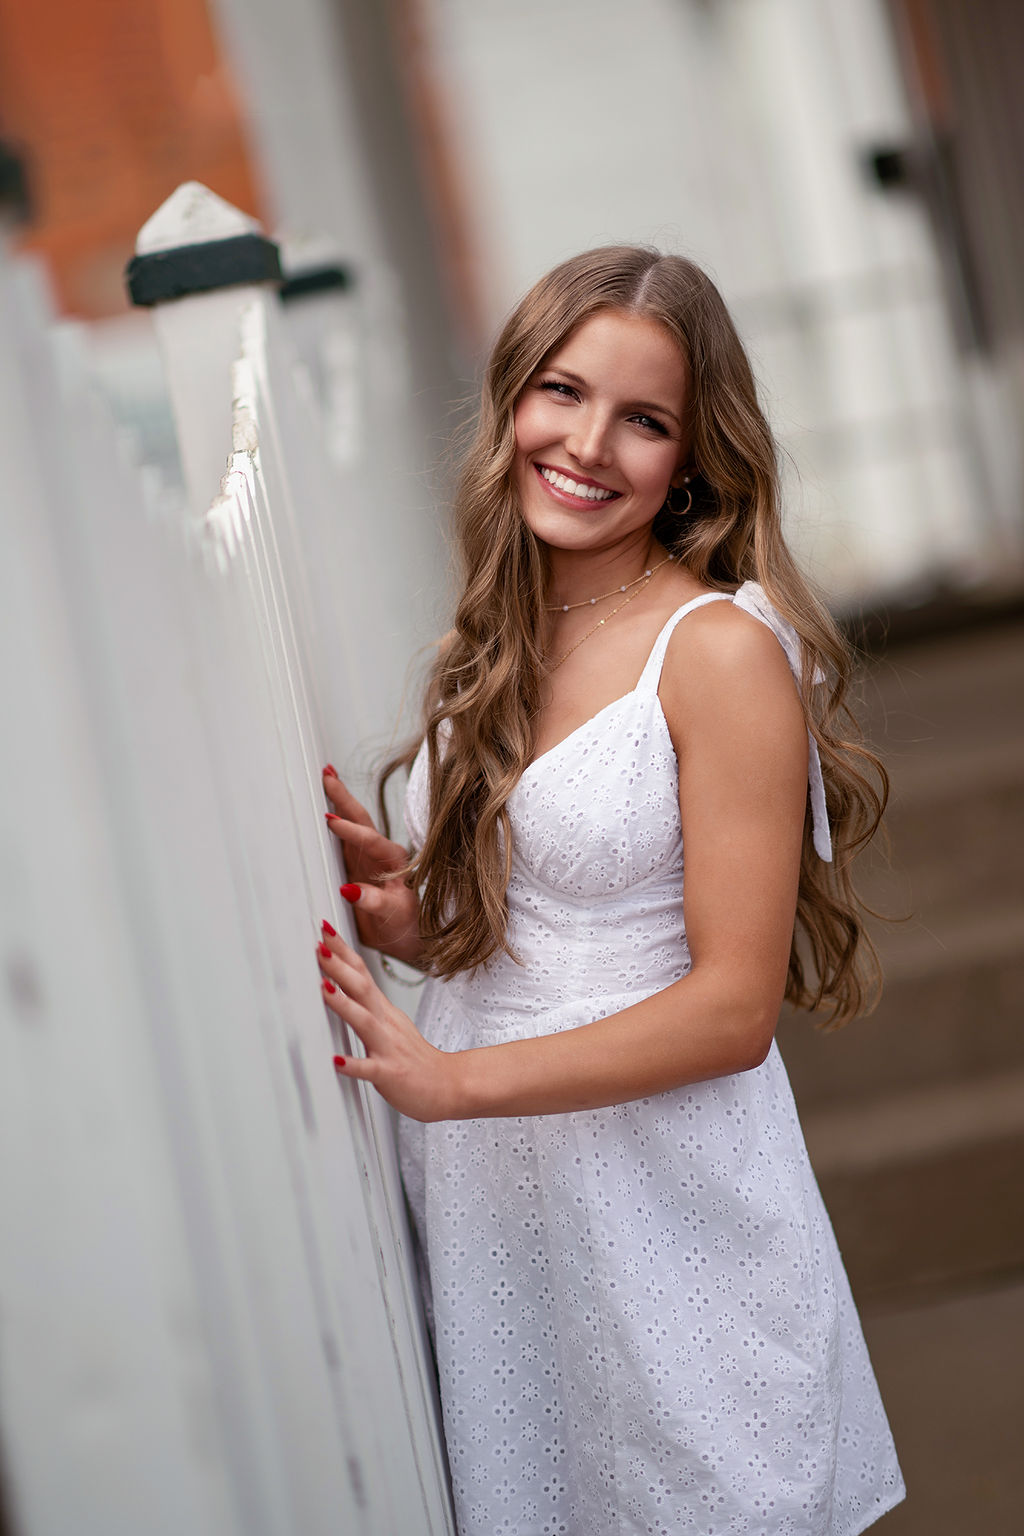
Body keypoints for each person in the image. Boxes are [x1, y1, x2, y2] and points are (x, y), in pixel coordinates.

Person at [316, 247, 905, 1535]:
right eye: (562, 392)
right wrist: (424, 919)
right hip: (505, 1230)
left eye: (645, 419)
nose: (587, 443)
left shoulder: (720, 652)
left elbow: (731, 1009)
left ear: (695, 457)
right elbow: (552, 926)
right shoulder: (504, 632)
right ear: (511, 400)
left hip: (669, 1221)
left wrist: (450, 1083)